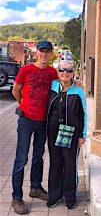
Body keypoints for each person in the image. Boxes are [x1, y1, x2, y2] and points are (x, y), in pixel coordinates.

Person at [11, 41, 58, 214]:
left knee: (39, 156)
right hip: (26, 120)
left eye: (47, 52)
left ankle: (35, 188)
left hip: (43, 121)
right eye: (41, 51)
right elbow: (16, 90)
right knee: (21, 158)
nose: (44, 54)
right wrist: (23, 104)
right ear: (37, 53)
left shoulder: (53, 73)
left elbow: (60, 88)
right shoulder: (26, 70)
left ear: (51, 54)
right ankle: (17, 197)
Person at [47, 61, 86, 209]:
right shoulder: (52, 86)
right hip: (53, 131)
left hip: (71, 131)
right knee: (55, 163)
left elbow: (84, 113)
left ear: (73, 73)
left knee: (69, 163)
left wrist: (82, 134)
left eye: (69, 70)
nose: (65, 72)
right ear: (58, 72)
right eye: (62, 70)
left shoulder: (78, 90)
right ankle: (55, 195)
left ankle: (70, 195)